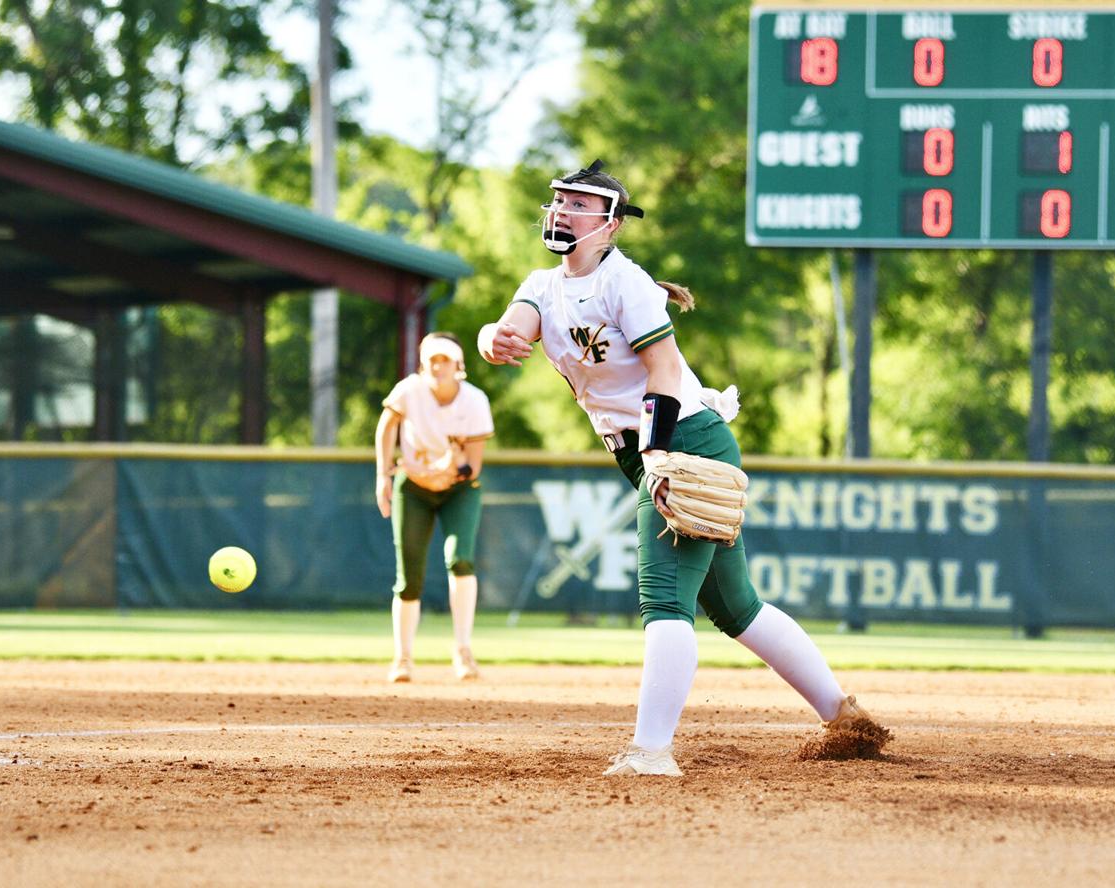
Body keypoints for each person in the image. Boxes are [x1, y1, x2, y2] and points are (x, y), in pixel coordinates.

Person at [477, 160, 879, 777]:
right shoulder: (543, 283)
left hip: (682, 439)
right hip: (648, 446)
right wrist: (492, 338)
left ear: (610, 225)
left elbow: (664, 372)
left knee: (664, 597)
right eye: (559, 200)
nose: (562, 211)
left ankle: (651, 751)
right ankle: (846, 717)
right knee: (736, 606)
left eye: (580, 204)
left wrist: (660, 456)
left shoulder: (625, 281)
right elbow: (515, 327)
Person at [375, 332, 494, 683]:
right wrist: (383, 475)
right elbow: (386, 426)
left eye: (446, 360)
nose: (439, 367)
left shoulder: (474, 400)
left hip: (458, 490)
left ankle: (462, 651)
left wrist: (448, 470)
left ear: (460, 366)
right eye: (432, 360)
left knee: (461, 559)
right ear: (423, 365)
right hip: (412, 489)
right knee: (409, 577)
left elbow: (473, 465)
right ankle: (403, 658)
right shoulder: (409, 390)